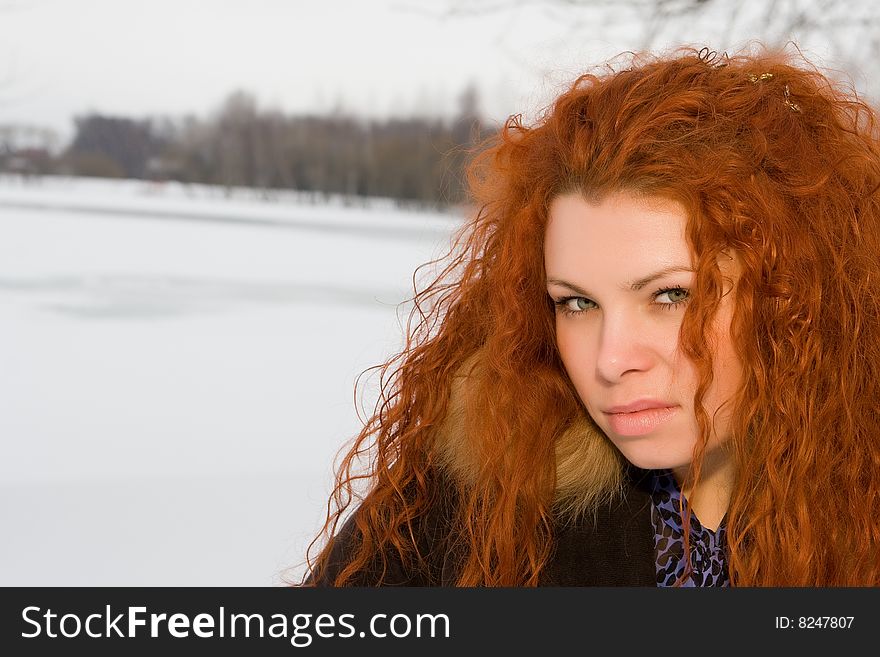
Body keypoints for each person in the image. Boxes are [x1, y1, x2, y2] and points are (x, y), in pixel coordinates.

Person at [302, 46, 880, 587]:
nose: (610, 359)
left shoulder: (856, 511)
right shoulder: (463, 523)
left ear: (795, 297)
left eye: (672, 296)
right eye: (577, 303)